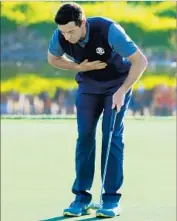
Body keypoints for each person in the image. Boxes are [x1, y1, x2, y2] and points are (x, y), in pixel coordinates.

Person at [48, 3, 148, 218]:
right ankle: (81, 198)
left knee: (111, 137)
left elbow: (140, 61)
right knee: (84, 136)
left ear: (83, 23)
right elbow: (53, 58)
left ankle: (110, 200)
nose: (66, 36)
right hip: (88, 86)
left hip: (117, 85)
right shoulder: (60, 35)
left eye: (71, 31)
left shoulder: (109, 30)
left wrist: (123, 90)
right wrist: (78, 67)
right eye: (63, 32)